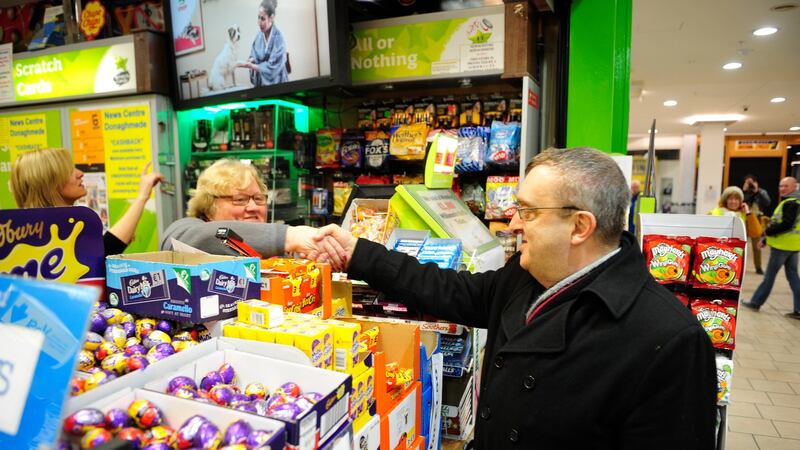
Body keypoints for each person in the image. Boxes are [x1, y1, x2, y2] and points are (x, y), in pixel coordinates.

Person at [314, 147, 717, 449]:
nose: (512, 221)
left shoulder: (669, 340)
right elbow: (450, 290)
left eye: (528, 211)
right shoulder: (526, 276)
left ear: (580, 226)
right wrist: (359, 253)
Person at [9, 147, 163, 257]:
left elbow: (107, 246)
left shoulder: (62, 227)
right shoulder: (43, 237)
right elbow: (106, 250)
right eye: (69, 171)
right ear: (49, 183)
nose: (80, 173)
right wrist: (142, 195)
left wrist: (143, 196)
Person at [160, 159, 325, 257]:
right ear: (208, 207)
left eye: (259, 198)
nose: (253, 206)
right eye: (240, 199)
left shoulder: (278, 250)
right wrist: (290, 236)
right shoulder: (187, 227)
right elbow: (184, 239)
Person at [742, 177, 800, 319]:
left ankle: (756, 302)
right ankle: (799, 309)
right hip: (793, 245)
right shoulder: (793, 202)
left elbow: (786, 225)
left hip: (782, 246)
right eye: (781, 186)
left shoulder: (791, 203)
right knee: (793, 276)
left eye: (786, 186)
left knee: (769, 276)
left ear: (794, 187)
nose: (782, 188)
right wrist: (767, 239)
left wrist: (767, 233)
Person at [238, 0, 288, 87]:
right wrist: (252, 60)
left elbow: (273, 68)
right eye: (258, 17)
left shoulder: (279, 39)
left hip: (278, 84)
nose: (259, 22)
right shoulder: (259, 36)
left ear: (271, 17)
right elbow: (254, 55)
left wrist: (252, 66)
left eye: (263, 18)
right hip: (262, 85)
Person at [742, 174, 771, 274]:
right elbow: (740, 203)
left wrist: (757, 191)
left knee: (756, 245)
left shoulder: (761, 192)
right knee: (741, 243)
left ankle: (758, 267)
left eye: (751, 182)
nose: (750, 184)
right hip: (744, 219)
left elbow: (767, 202)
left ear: (755, 182)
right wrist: (744, 191)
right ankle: (739, 265)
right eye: (748, 182)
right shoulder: (743, 192)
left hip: (756, 219)